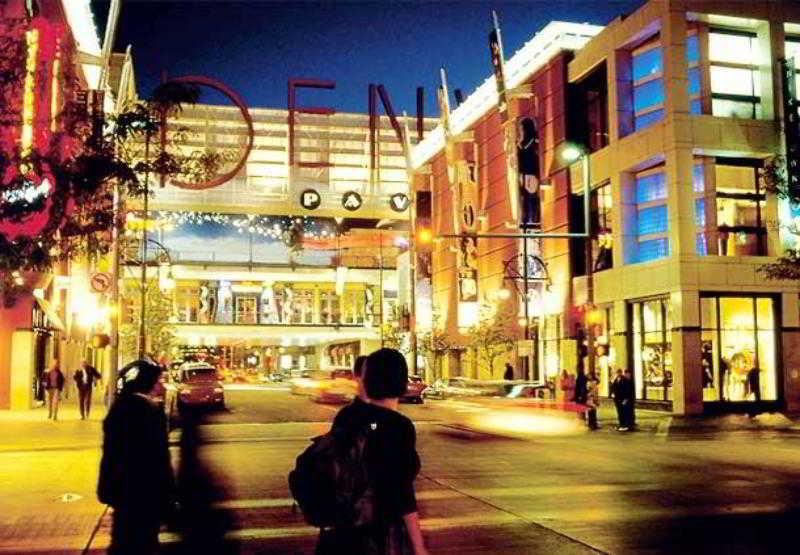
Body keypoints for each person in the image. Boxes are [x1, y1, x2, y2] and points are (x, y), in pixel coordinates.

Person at [319, 348, 428, 555]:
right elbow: (401, 492)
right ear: (401, 381)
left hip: (340, 532)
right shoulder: (398, 426)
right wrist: (419, 546)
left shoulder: (347, 415)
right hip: (378, 535)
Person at [98, 359, 175, 555]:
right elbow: (159, 460)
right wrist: (168, 495)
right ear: (146, 383)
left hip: (123, 492)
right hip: (146, 493)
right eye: (158, 381)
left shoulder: (119, 409)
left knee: (122, 542)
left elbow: (110, 456)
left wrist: (106, 488)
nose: (161, 385)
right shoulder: (151, 413)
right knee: (144, 542)